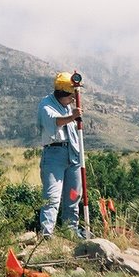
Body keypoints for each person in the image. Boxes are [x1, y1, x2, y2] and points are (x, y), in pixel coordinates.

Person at [36, 72, 84, 239]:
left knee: (73, 195)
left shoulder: (67, 106)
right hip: (54, 154)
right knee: (52, 197)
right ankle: (46, 234)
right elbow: (55, 122)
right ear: (64, 93)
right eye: (72, 94)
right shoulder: (46, 105)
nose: (74, 98)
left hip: (73, 153)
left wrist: (73, 115)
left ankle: (71, 231)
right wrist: (72, 117)